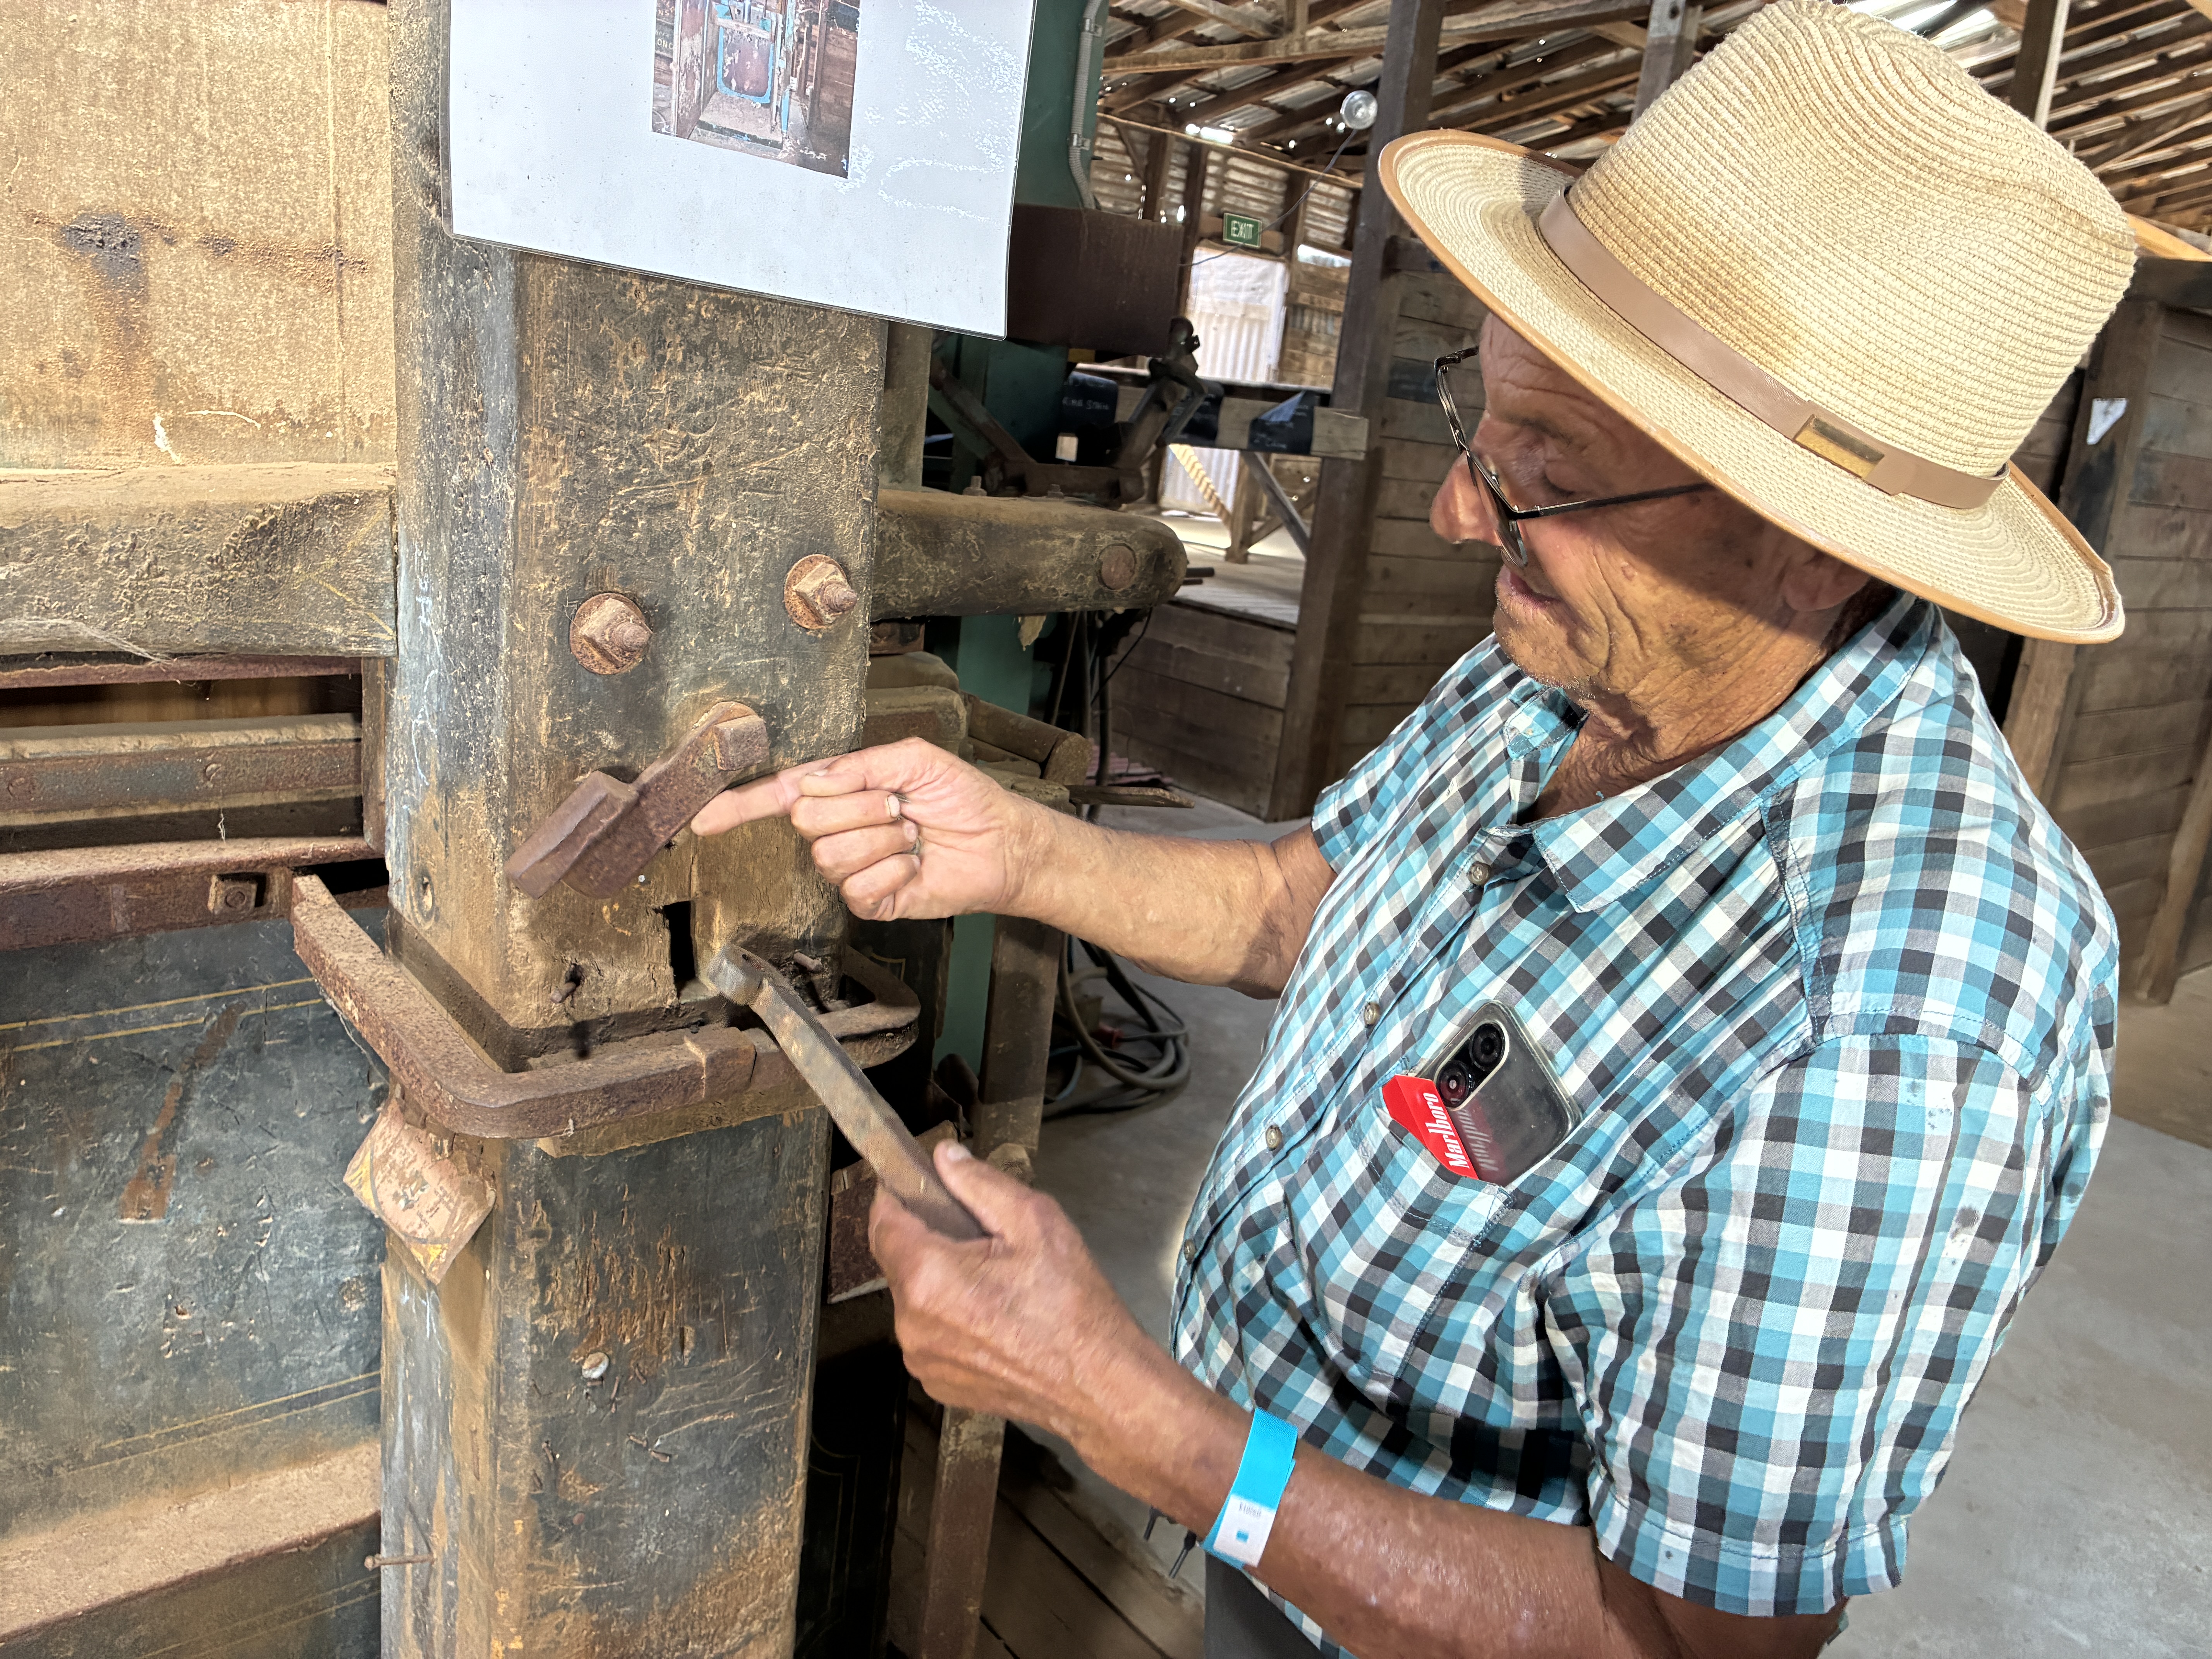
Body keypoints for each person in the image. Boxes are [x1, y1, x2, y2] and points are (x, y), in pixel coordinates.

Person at [696, 3, 2136, 1653]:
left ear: (1813, 550)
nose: (1465, 511)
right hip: (1269, 1541)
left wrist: (1125, 1413)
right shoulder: (1582, 662)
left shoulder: (1899, 1018)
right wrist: (1014, 848)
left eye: (1544, 472)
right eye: (1486, 426)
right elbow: (1315, 907)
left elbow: (1680, 1639)